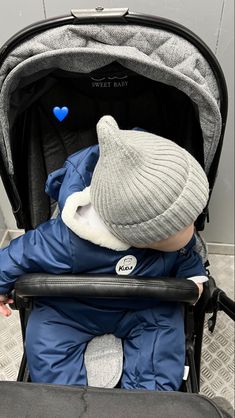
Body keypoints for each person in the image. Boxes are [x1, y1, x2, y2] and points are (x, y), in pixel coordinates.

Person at [0, 116, 209, 390]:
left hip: (143, 307)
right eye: (187, 222)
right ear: (144, 236)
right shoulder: (65, 239)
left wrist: (194, 281)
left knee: (164, 338)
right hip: (70, 309)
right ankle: (65, 400)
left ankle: (148, 402)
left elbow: (186, 257)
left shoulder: (175, 244)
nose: (194, 227)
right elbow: (18, 254)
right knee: (44, 340)